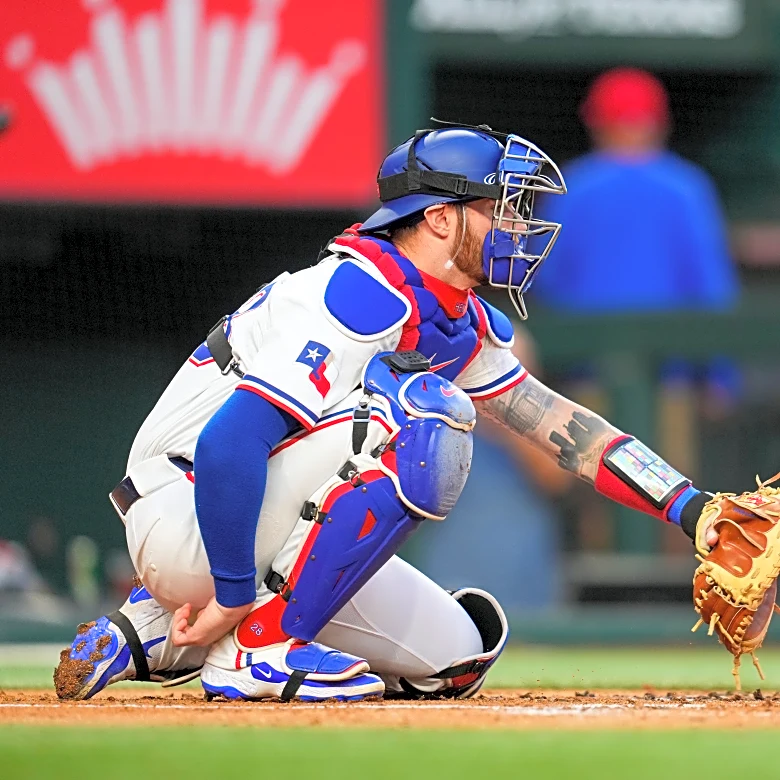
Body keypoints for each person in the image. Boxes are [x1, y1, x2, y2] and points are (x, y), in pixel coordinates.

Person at [55, 122, 725, 703]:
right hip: (188, 507)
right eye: (498, 207)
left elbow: (566, 432)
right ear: (439, 218)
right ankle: (260, 641)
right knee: (425, 414)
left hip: (241, 526)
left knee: (455, 659)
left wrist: (693, 511)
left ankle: (153, 633)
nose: (517, 225)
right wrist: (231, 590)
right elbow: (230, 443)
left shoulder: (453, 315)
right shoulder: (358, 294)